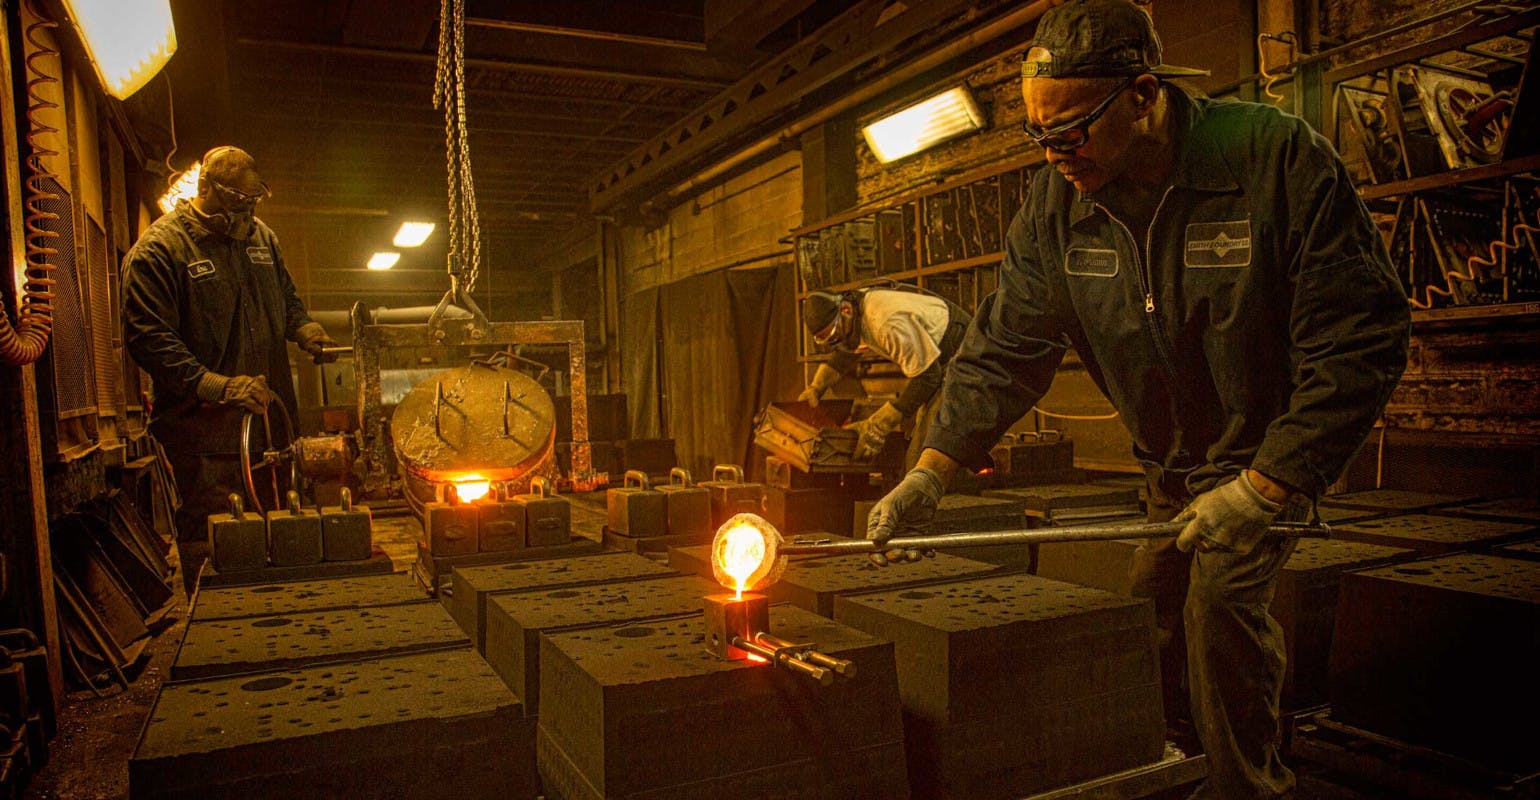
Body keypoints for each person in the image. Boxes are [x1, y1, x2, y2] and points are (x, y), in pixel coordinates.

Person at [863, 1, 1411, 797]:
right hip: (1170, 466)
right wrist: (930, 473)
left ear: (1143, 94)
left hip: (1265, 454)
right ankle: (1178, 761)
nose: (1053, 155)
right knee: (1150, 610)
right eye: (1037, 136)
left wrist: (1266, 487)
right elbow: (1004, 349)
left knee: (1219, 608)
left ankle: (1247, 787)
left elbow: (1361, 336)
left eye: (1070, 132)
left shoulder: (1270, 159)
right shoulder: (1057, 207)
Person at [123, 146, 337, 594]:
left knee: (283, 522)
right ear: (204, 187)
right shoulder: (159, 252)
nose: (248, 211)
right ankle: (221, 627)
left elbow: (287, 299)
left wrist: (304, 327)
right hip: (206, 436)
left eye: (253, 199)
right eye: (237, 201)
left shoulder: (262, 239)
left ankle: (287, 619)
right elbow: (148, 337)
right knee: (220, 534)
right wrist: (216, 385)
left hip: (270, 421)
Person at [799, 286, 970, 465]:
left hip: (961, 353)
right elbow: (846, 353)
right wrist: (816, 387)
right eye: (826, 340)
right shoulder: (855, 311)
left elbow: (928, 377)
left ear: (846, 310)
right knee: (922, 442)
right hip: (939, 360)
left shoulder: (885, 322)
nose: (835, 341)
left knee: (924, 455)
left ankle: (951, 487)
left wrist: (880, 424)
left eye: (834, 334)